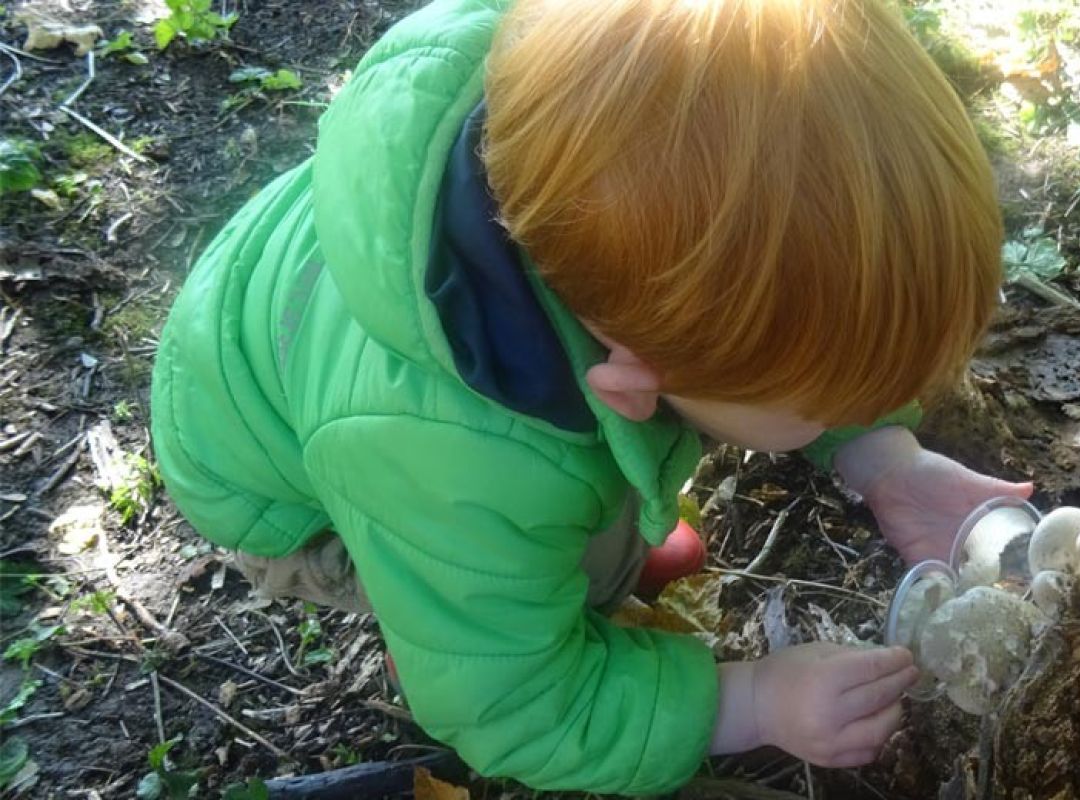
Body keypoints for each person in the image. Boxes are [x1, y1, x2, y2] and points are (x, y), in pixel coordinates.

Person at [149, 0, 1031, 792]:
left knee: (564, 516)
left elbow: (808, 311)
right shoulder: (455, 463)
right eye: (833, 399)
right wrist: (750, 700)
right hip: (274, 481)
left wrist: (886, 461)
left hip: (291, 311)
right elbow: (512, 705)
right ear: (633, 384)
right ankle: (512, 595)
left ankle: (571, 563)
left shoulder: (583, 85)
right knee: (507, 583)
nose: (857, 405)